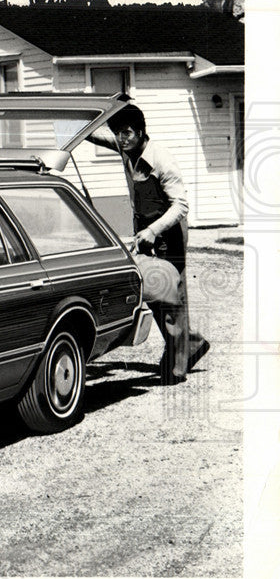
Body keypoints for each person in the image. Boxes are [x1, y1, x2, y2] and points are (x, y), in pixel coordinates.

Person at [88, 104, 210, 384]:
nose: (122, 139)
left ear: (140, 132)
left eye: (127, 133)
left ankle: (178, 365)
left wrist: (154, 231)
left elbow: (180, 205)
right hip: (144, 228)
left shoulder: (161, 159)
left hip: (168, 231)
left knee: (172, 296)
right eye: (118, 133)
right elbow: (95, 136)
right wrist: (80, 122)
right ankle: (190, 344)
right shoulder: (124, 147)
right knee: (154, 290)